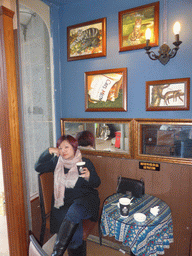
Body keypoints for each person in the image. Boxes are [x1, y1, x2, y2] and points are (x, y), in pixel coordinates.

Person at [35, 135, 101, 256]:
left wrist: (89, 177)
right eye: (60, 147)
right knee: (74, 217)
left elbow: (97, 183)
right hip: (64, 204)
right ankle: (59, 252)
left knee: (75, 209)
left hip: (86, 200)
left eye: (67, 147)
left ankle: (56, 253)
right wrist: (49, 151)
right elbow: (38, 167)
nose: (63, 150)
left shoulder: (85, 162)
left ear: (74, 147)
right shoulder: (56, 162)